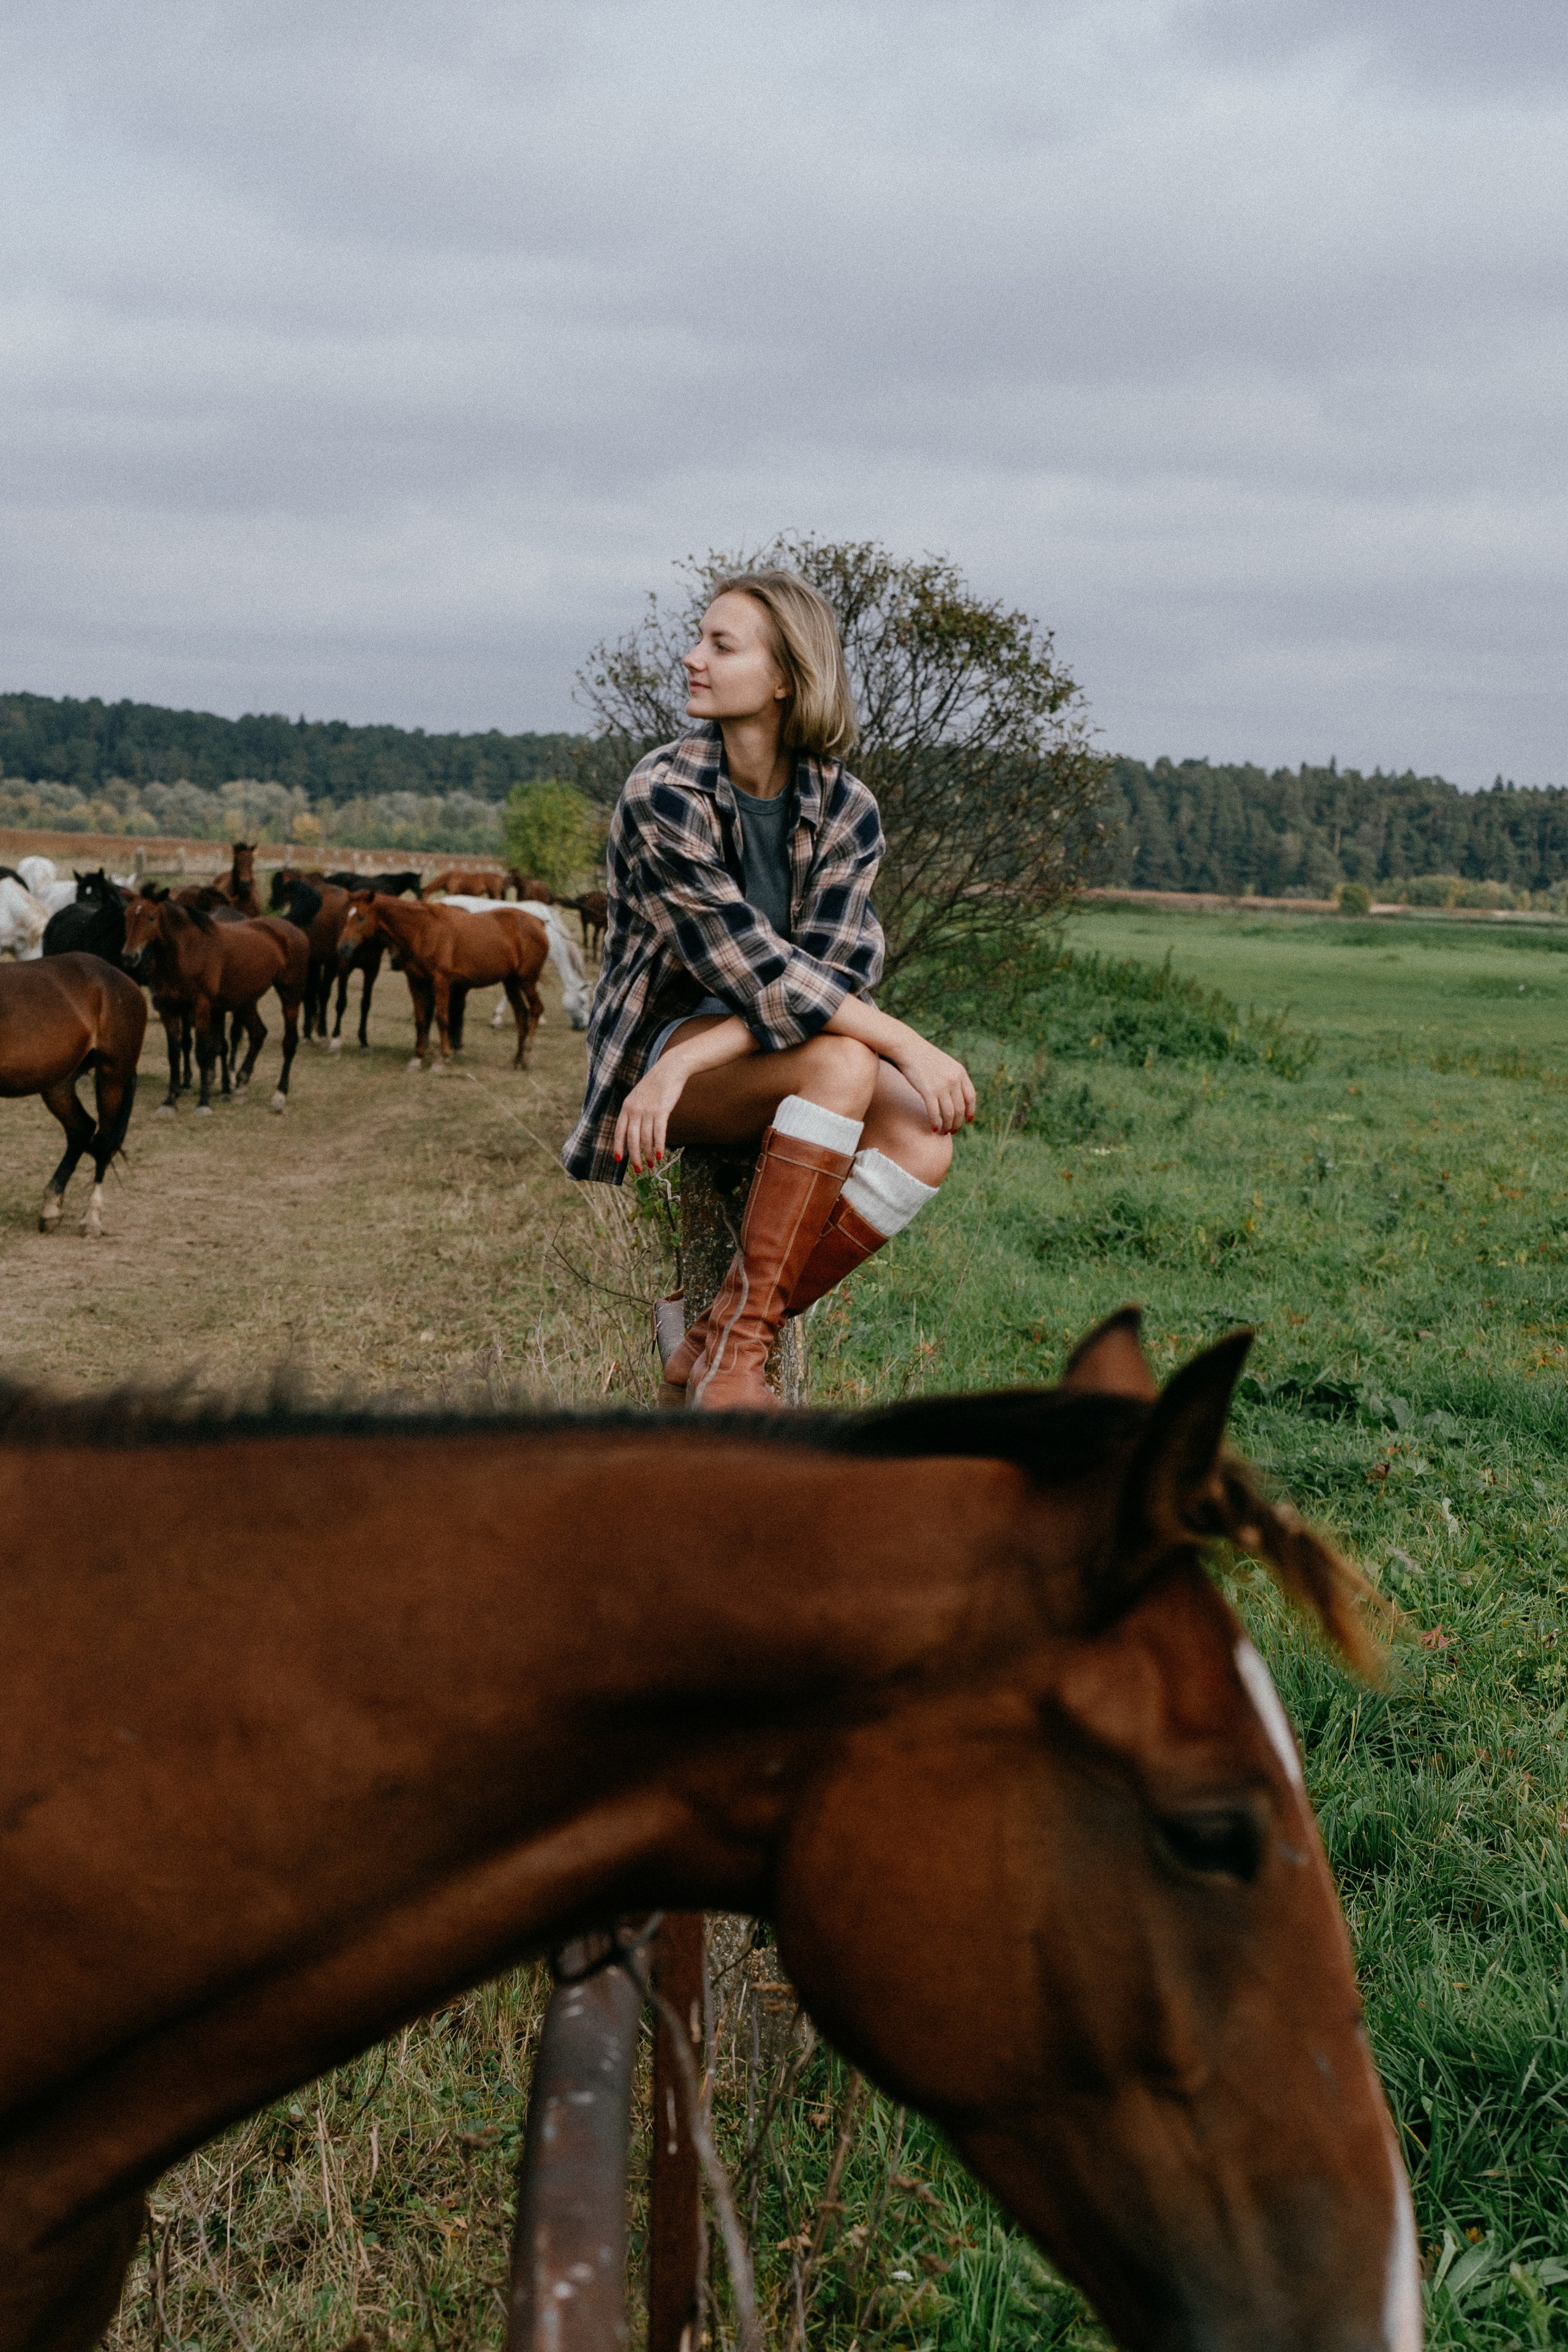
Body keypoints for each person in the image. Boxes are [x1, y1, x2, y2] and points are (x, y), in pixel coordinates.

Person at [562, 570, 975, 1409]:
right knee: (848, 1066)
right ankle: (737, 1367)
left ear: (784, 677)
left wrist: (711, 1056)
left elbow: (830, 977)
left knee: (927, 1141)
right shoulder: (663, 793)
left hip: (740, 1055)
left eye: (721, 644)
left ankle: (716, 1336)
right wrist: (902, 1039)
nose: (691, 658)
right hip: (653, 1069)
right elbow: (755, 970)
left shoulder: (846, 807)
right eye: (698, 639)